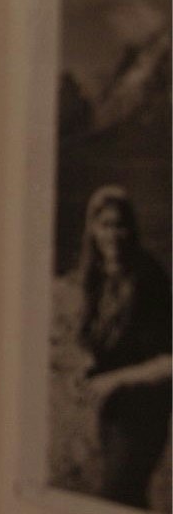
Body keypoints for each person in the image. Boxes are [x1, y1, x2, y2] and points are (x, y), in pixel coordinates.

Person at [74, 184, 172, 508]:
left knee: (115, 495)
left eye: (120, 224)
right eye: (105, 225)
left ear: (131, 229)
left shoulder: (148, 277)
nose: (113, 234)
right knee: (129, 499)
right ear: (93, 229)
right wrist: (87, 368)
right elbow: (97, 344)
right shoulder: (97, 277)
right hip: (112, 410)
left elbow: (169, 361)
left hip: (146, 410)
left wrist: (112, 381)